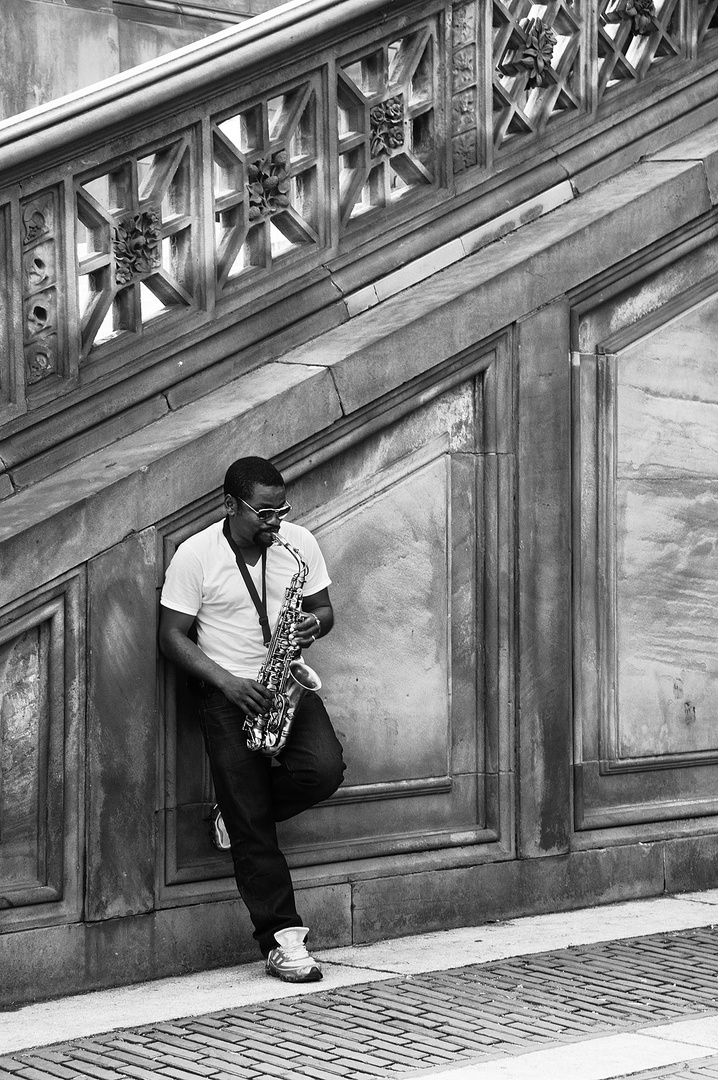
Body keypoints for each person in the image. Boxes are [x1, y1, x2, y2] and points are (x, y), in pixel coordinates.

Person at [159, 456, 345, 983]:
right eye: (264, 513)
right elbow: (171, 636)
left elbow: (325, 611)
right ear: (229, 505)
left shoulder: (298, 543)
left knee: (323, 771)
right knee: (253, 826)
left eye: (282, 510)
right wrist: (227, 683)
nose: (275, 523)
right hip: (229, 693)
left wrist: (313, 623)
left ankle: (238, 819)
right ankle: (283, 939)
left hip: (284, 680)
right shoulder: (196, 555)